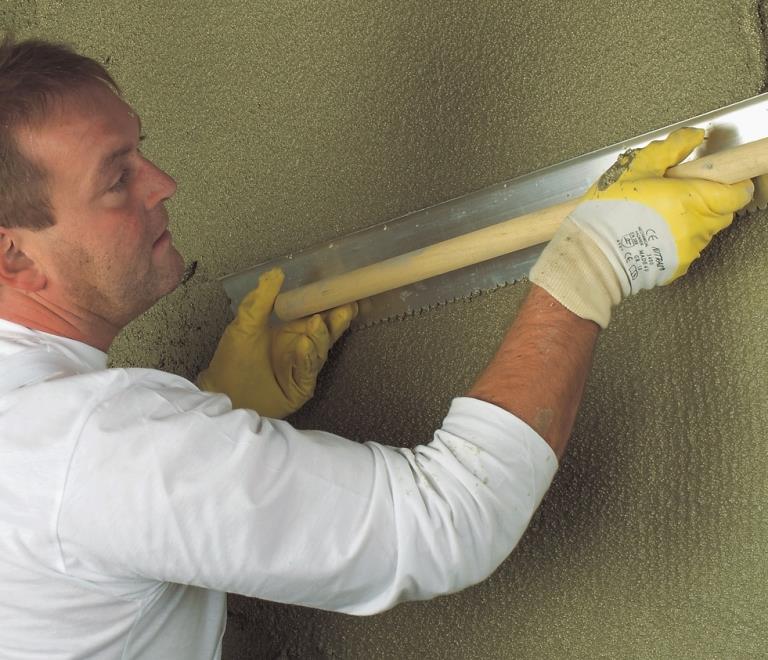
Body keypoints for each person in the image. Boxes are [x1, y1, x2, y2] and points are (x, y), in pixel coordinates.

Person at [0, 36, 753, 660]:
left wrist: (221, 409)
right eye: (116, 178)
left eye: (142, 152)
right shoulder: (91, 448)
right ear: (14, 259)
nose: (162, 183)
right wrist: (593, 264)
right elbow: (445, 524)